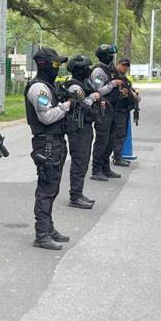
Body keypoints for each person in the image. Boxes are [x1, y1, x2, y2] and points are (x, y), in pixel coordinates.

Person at [24, 47, 71, 250]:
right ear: (44, 65)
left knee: (52, 188)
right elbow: (46, 116)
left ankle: (48, 228)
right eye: (55, 64)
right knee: (46, 188)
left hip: (55, 141)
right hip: (47, 143)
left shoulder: (48, 87)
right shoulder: (39, 89)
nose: (58, 68)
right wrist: (66, 106)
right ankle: (41, 233)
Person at [65, 55, 101, 209]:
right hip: (77, 128)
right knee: (79, 161)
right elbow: (81, 105)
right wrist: (93, 97)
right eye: (86, 68)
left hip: (85, 127)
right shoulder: (75, 87)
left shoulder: (84, 84)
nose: (88, 70)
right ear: (79, 70)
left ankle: (78, 193)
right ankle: (75, 195)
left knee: (84, 160)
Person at [90, 44, 124, 181]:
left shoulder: (110, 69)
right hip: (102, 110)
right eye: (110, 54)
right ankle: (96, 170)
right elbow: (97, 91)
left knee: (111, 140)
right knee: (102, 141)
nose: (112, 56)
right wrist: (113, 84)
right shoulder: (98, 71)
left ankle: (105, 168)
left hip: (112, 109)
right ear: (104, 56)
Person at [112, 58, 140, 167]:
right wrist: (122, 94)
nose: (125, 67)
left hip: (125, 110)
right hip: (118, 111)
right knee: (120, 135)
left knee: (121, 135)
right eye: (123, 65)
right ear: (118, 64)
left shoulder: (124, 79)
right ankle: (117, 157)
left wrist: (135, 95)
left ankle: (118, 156)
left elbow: (131, 90)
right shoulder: (115, 77)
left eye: (127, 65)